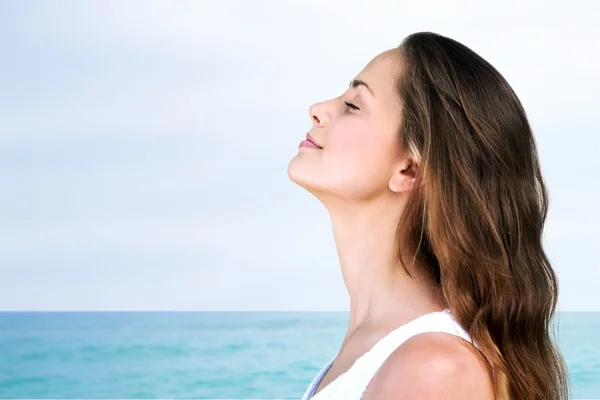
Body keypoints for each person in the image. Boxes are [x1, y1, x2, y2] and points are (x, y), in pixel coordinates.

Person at [287, 32, 570, 400]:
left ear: (409, 170)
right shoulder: (385, 353)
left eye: (354, 104)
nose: (319, 108)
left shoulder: (432, 369)